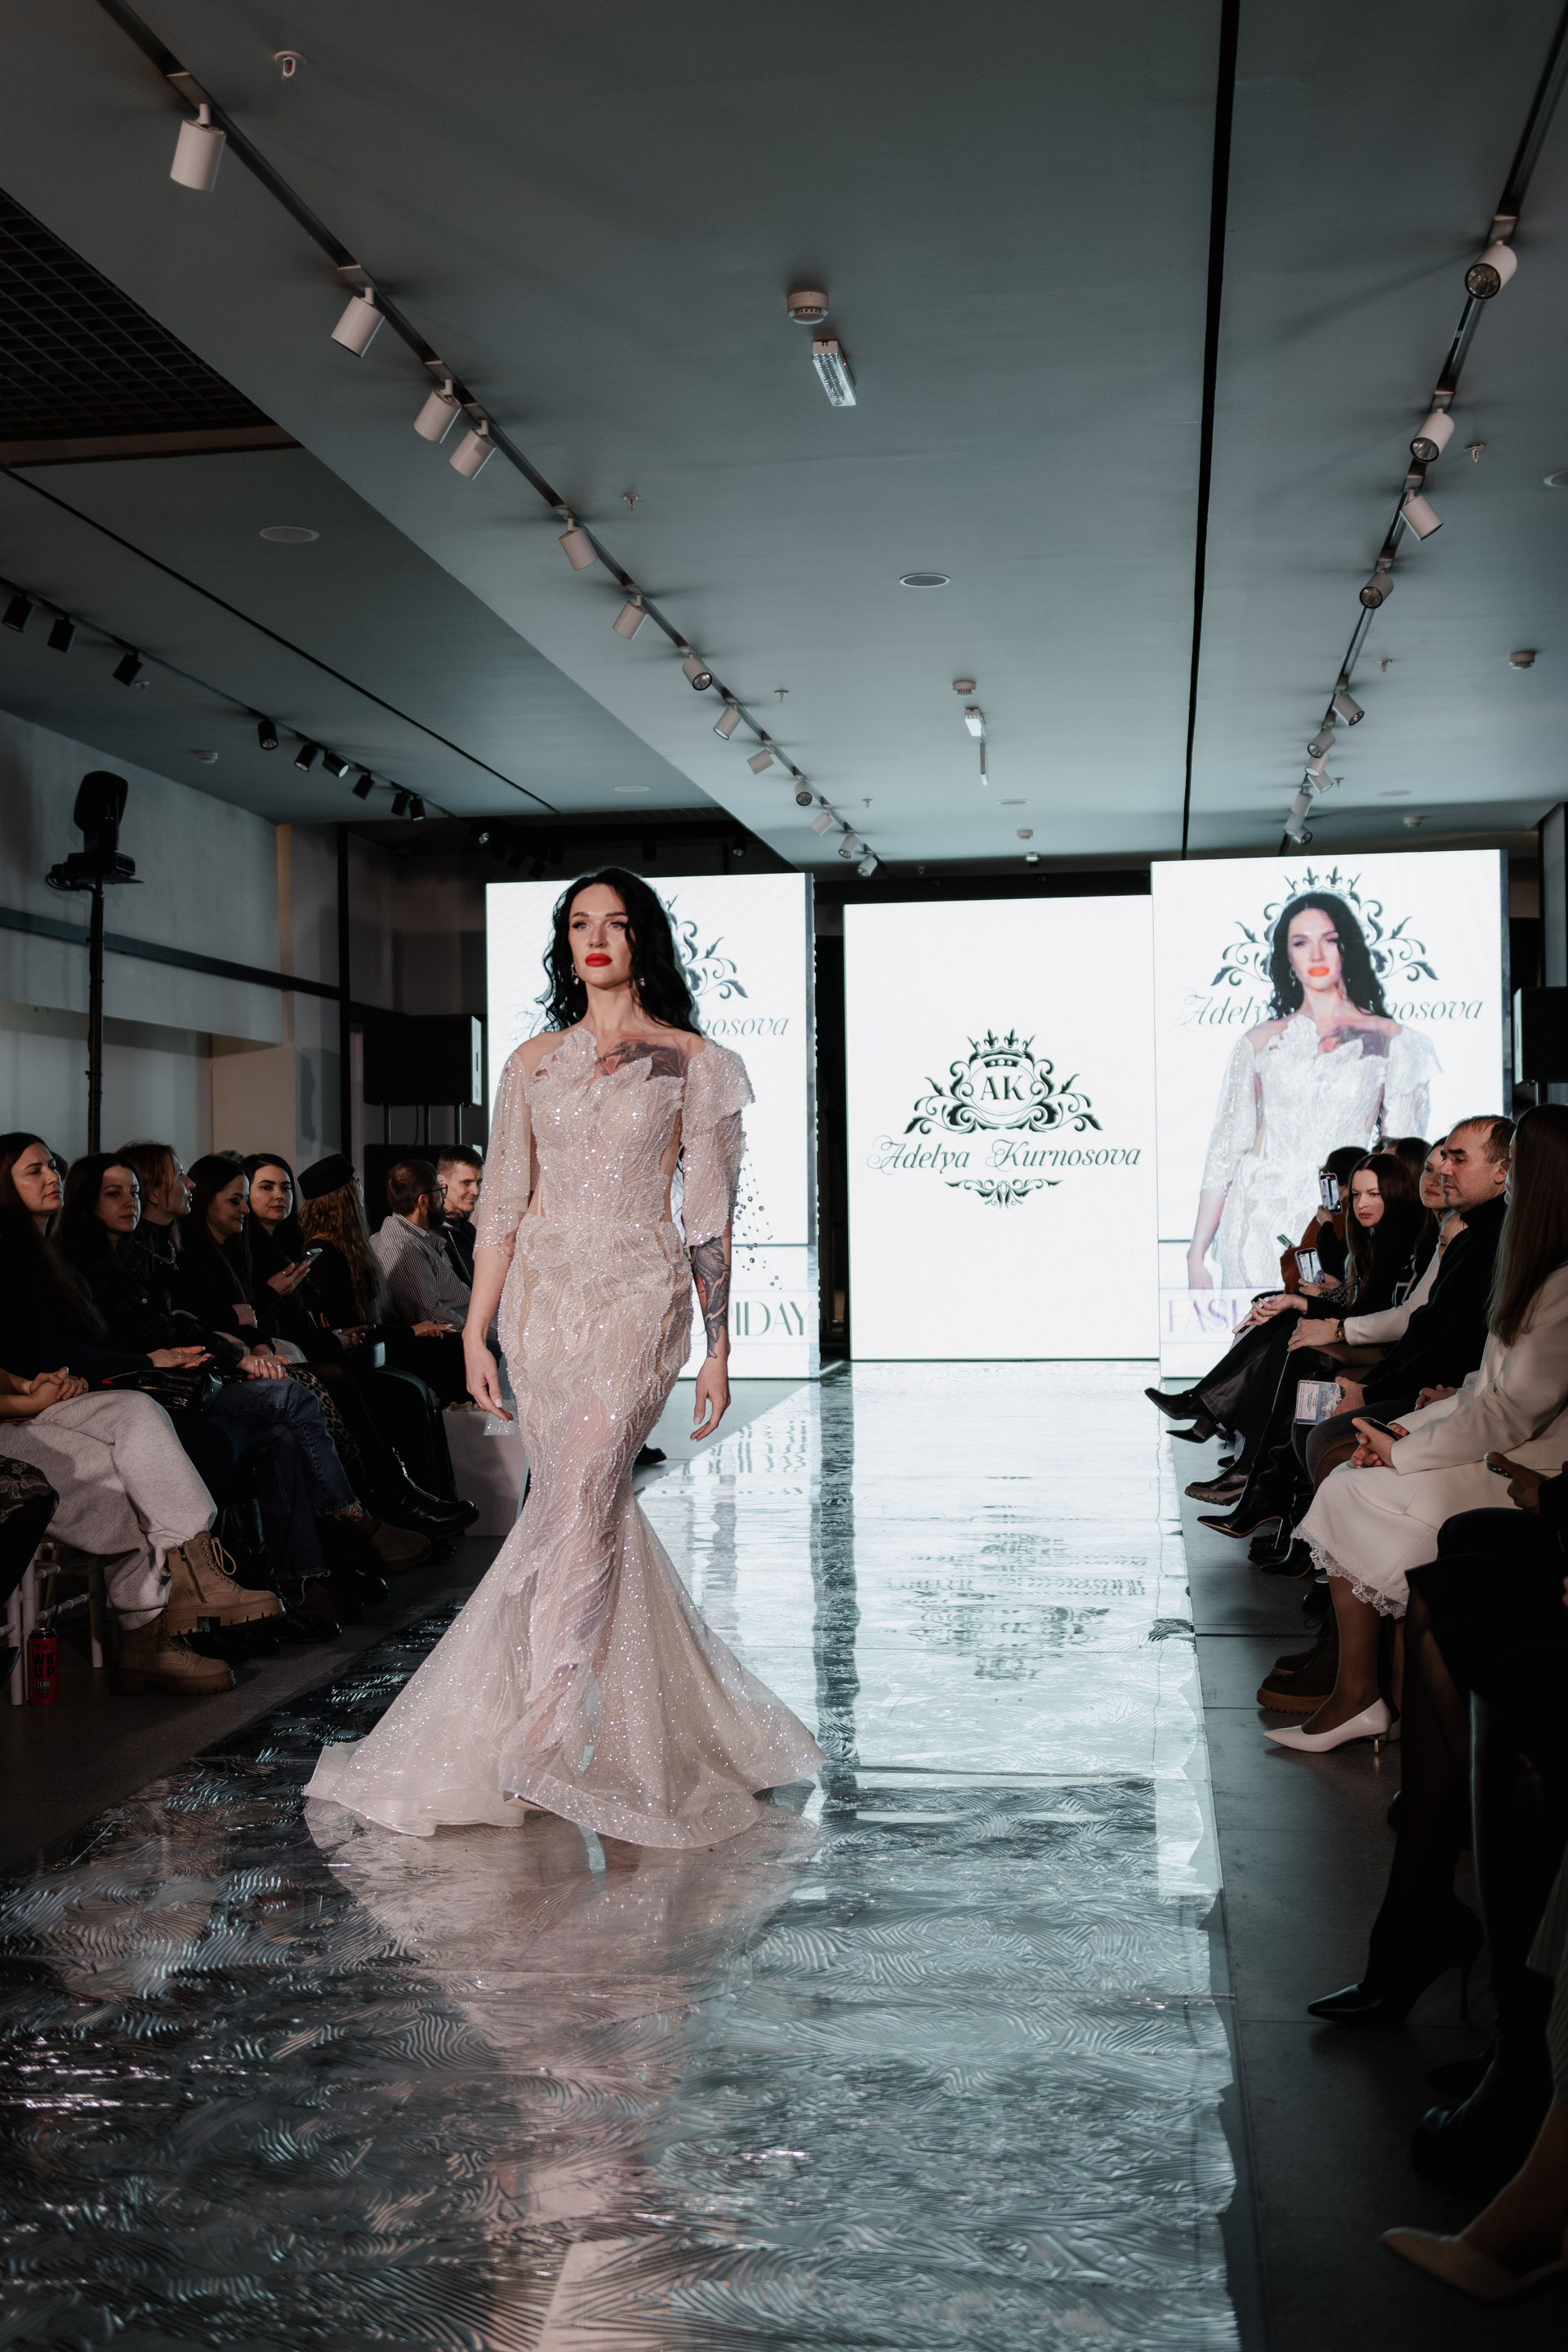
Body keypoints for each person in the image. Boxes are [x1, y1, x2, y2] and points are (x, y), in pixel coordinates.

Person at [305, 866, 823, 1846]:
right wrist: (476, 1331)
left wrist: (718, 1348)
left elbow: (709, 1219)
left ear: (643, 940)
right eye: (580, 923)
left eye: (615, 924)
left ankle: (542, 1738)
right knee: (582, 1505)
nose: (596, 939)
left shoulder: (698, 1063)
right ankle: (653, 1721)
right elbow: (502, 1205)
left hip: (638, 1295)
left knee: (580, 1494)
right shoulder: (532, 1062)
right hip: (541, 1304)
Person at [1271, 1103, 1568, 1754]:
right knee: (1346, 1474)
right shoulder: (1520, 1257)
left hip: (1527, 1469)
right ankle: (1363, 1690)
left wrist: (1402, 1444)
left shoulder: (1552, 1276)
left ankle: (1364, 1691)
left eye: (1514, 1167)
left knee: (1350, 1484)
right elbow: (1478, 1385)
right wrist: (1403, 1433)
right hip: (1487, 1443)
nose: (1444, 1170)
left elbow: (1509, 1411)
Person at [1187, 891, 1438, 1290]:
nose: (1317, 954)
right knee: (1261, 1323)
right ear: (1286, 955)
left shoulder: (1395, 1041)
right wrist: (1196, 1252)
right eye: (1301, 943)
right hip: (1256, 1220)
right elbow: (1226, 1151)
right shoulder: (1259, 1042)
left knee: (1329, 1317)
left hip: (1344, 1217)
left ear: (1346, 947)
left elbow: (1402, 1156)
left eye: (1329, 940)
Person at [0, 1362, 236, 1696]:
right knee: (124, 1481)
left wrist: (29, 1386)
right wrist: (31, 1402)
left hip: (18, 1410)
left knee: (135, 1406)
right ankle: (148, 1640)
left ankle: (196, 1560)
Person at [369, 1157, 471, 1404]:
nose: (444, 1198)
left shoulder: (418, 1237)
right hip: (450, 1341)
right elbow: (431, 1316)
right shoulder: (402, 1246)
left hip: (466, 1327)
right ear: (423, 1201)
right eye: (440, 1190)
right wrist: (483, 1332)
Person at [437, 1143, 483, 1281]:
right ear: (441, 1182)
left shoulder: (469, 1229)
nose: (476, 1191)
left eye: (479, 1182)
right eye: (466, 1183)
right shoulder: (431, 1236)